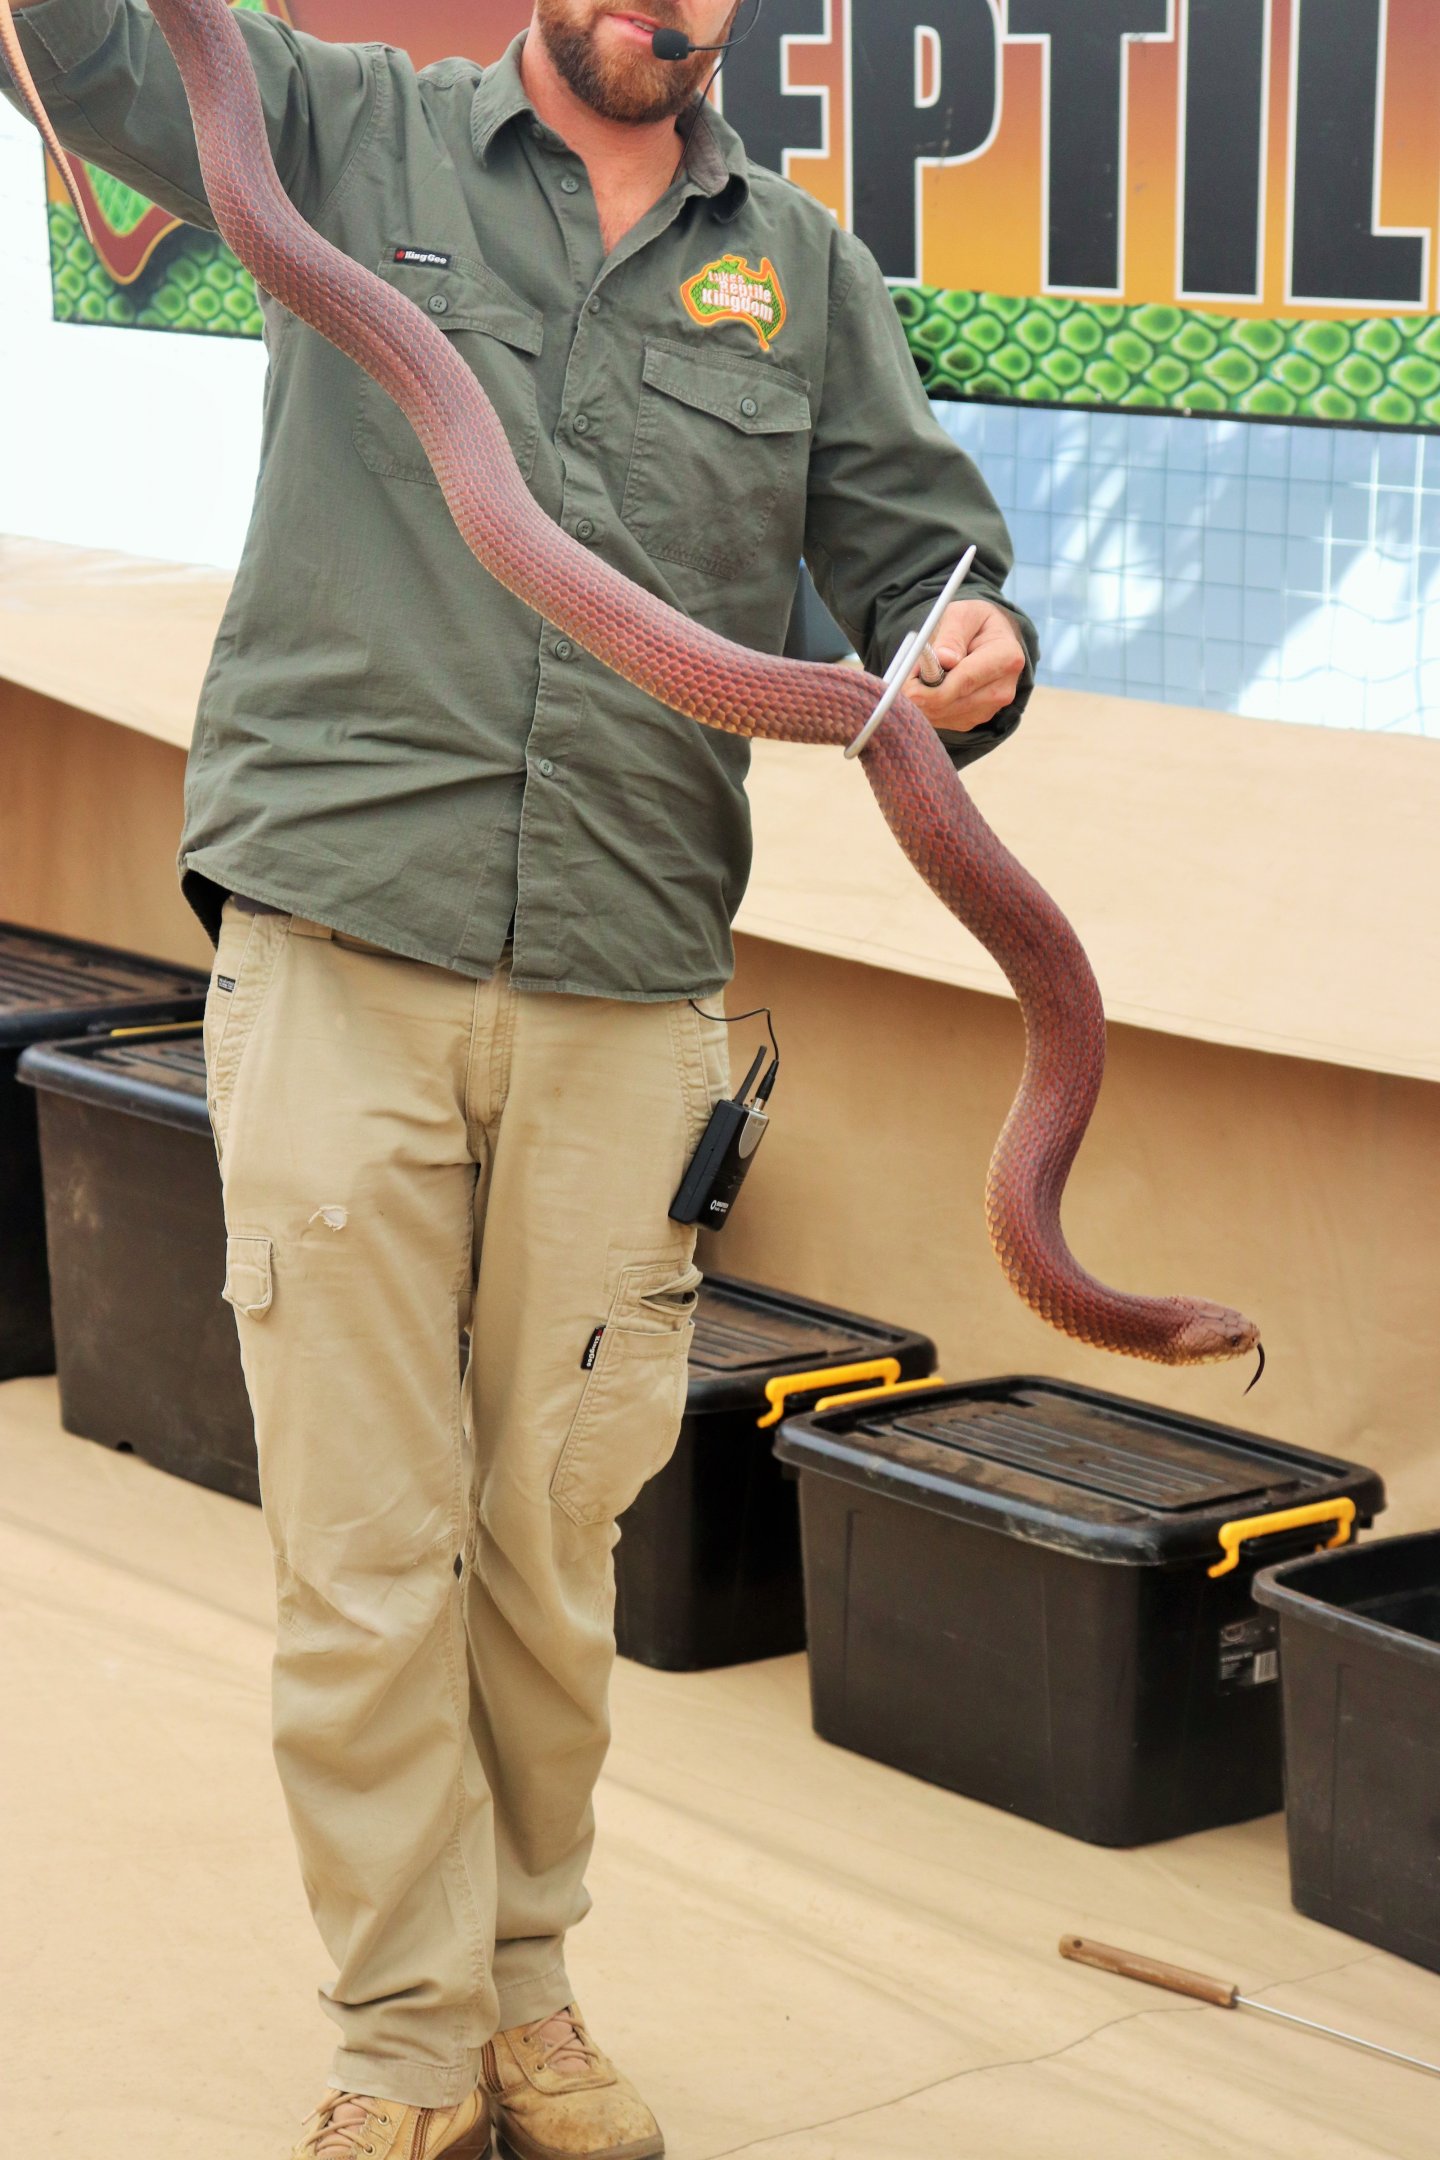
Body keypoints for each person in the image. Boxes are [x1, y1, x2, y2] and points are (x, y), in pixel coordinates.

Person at [4, 3, 1038, 2154]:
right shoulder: (331, 126)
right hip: (338, 926)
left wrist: (973, 645)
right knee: (366, 1541)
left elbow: (921, 564)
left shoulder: (806, 271)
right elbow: (85, 52)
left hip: (625, 961)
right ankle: (401, 2041)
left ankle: (529, 1997)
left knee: (554, 1538)